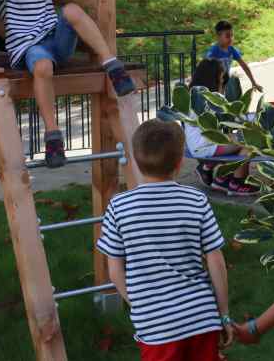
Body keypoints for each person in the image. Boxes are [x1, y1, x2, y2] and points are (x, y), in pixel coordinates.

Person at [96, 119, 233, 361]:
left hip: (156, 327)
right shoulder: (196, 201)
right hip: (201, 317)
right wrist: (224, 314)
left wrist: (138, 303)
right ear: (180, 163)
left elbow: (114, 268)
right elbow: (216, 262)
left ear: (137, 161)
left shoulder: (119, 207)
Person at [0, 0, 135, 168]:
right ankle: (53, 136)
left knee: (72, 9)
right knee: (43, 67)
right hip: (29, 48)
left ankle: (112, 65)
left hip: (55, 40)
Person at [185, 59, 258, 196]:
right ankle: (236, 183)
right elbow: (234, 117)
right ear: (213, 77)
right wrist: (258, 119)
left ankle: (220, 177)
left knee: (238, 141)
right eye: (221, 76)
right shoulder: (212, 98)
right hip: (206, 146)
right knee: (250, 141)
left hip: (197, 144)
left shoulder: (192, 95)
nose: (223, 80)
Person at [205, 21, 262, 92]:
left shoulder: (232, 50)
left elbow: (244, 66)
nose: (231, 38)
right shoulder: (213, 51)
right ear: (218, 36)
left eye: (232, 35)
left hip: (224, 83)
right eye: (228, 36)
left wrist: (253, 82)